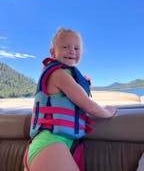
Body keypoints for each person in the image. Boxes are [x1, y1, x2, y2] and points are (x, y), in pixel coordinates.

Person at [24, 28, 116, 171]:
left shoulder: (68, 74)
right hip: (49, 143)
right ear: (53, 52)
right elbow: (89, 106)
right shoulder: (58, 74)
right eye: (65, 47)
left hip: (60, 145)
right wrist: (108, 112)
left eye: (76, 48)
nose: (72, 51)